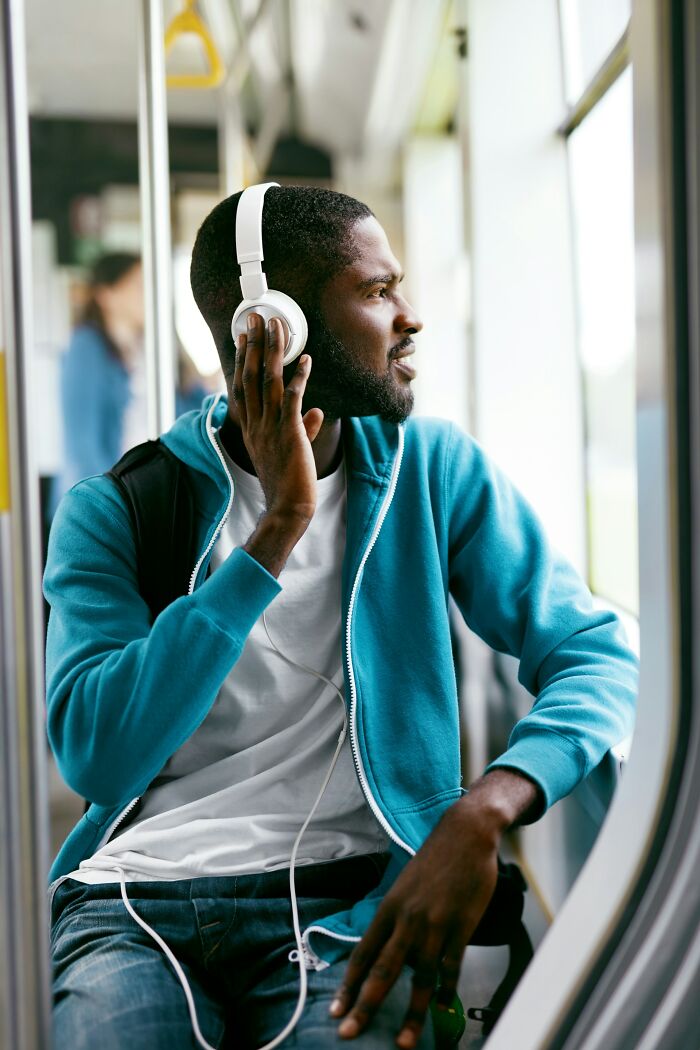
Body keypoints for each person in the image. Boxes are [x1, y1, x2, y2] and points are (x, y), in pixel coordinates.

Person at [44, 186, 638, 1050]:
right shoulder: (118, 510)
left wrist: (486, 809)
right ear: (269, 325)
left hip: (344, 901)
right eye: (376, 291)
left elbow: (594, 651)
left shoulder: (433, 472)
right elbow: (99, 756)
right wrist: (275, 535)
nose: (410, 317)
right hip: (134, 907)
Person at [53, 251, 145, 509]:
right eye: (138, 285)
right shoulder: (86, 346)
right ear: (107, 295)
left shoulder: (147, 349)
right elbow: (83, 445)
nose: (149, 293)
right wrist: (105, 507)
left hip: (138, 495)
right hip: (99, 504)